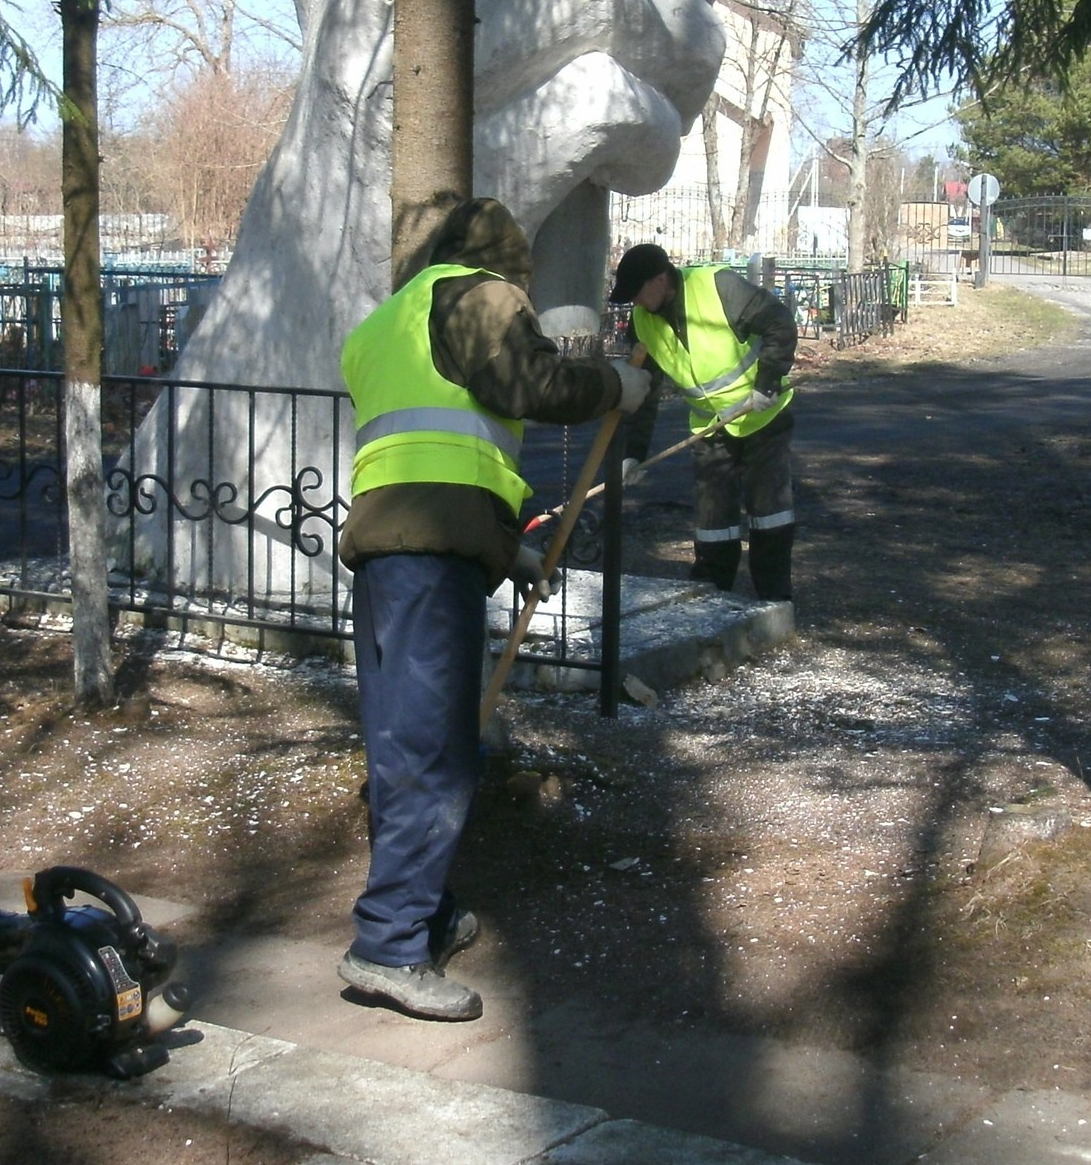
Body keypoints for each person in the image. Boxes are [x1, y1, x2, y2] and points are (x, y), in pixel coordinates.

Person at [336, 199, 651, 1021]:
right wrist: (615, 384)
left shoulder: (389, 323)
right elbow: (528, 385)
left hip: (391, 550)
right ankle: (389, 946)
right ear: (508, 263)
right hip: (432, 557)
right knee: (437, 749)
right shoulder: (480, 294)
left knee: (401, 741)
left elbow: (430, 449)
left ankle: (423, 909)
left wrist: (506, 547)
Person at [607, 243, 798, 603]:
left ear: (660, 279)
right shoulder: (643, 322)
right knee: (713, 523)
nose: (635, 302)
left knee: (769, 514)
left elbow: (779, 323)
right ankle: (711, 600)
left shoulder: (717, 286)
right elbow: (642, 390)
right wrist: (633, 453)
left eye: (637, 292)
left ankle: (774, 601)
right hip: (710, 429)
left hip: (763, 417)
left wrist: (768, 382)